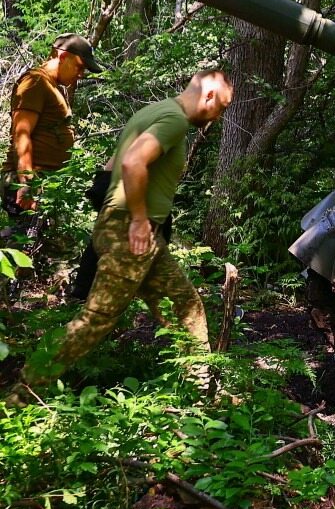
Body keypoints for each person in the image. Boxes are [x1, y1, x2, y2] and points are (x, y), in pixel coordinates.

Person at [7, 68, 234, 404]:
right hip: (132, 233)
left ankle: (202, 391)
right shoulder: (173, 119)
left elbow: (111, 168)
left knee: (186, 304)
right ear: (209, 96)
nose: (219, 116)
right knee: (95, 320)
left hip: (133, 233)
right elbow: (131, 163)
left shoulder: (154, 111)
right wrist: (139, 220)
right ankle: (23, 392)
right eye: (222, 108)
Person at [2, 35, 103, 266]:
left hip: (46, 183)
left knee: (48, 253)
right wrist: (26, 183)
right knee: (23, 251)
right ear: (63, 56)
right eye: (80, 67)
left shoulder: (52, 86)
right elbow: (21, 134)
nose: (81, 74)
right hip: (30, 181)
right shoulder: (35, 82)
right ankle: (12, 297)